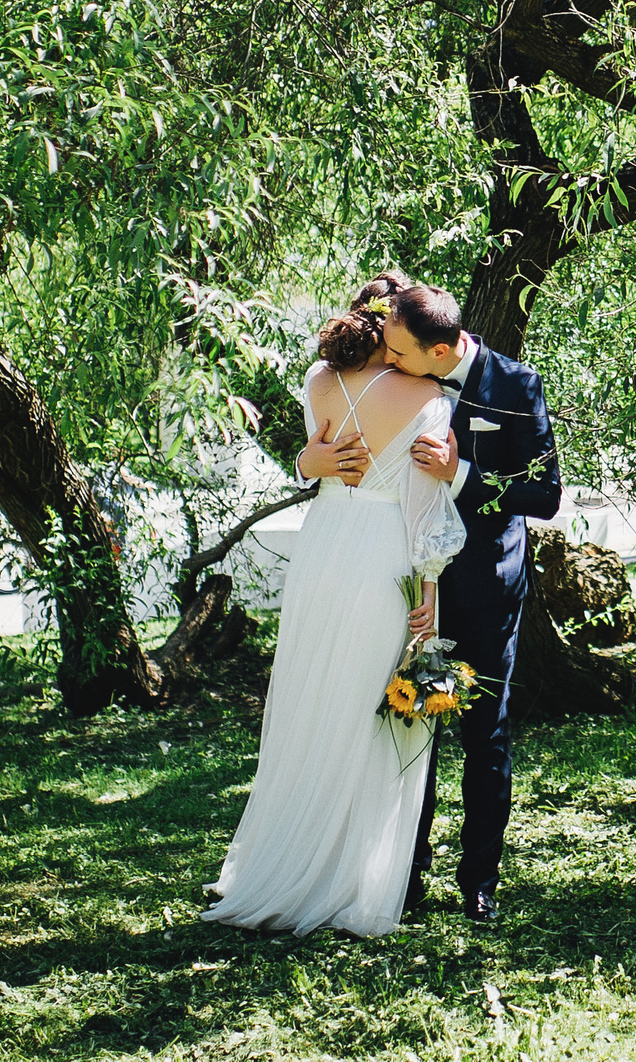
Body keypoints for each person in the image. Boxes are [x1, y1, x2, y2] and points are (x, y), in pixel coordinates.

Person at [200, 276, 466, 936]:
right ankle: (353, 881)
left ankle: (287, 860)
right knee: (370, 715)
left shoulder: (320, 378)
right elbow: (424, 503)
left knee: (312, 700)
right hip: (384, 555)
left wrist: (309, 459)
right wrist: (429, 588)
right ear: (396, 327)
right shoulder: (428, 395)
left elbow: (314, 456)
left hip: (323, 548)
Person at [379, 281, 561, 924]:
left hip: (486, 587)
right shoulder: (394, 377)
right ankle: (407, 871)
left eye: (398, 348)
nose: (386, 354)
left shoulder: (516, 387)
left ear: (442, 347)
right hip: (412, 593)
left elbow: (543, 497)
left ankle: (479, 880)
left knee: (486, 736)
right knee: (411, 730)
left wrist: (459, 474)